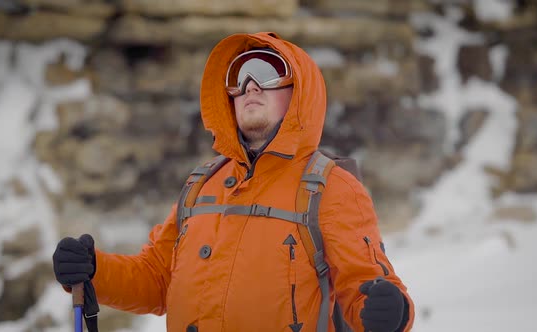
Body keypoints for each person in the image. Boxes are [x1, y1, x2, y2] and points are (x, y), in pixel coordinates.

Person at [52, 32, 415, 332]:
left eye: (268, 72)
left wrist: (392, 311)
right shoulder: (201, 184)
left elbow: (368, 288)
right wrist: (94, 272)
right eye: (239, 78)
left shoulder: (332, 188)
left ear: (300, 90)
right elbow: (156, 281)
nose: (250, 86)